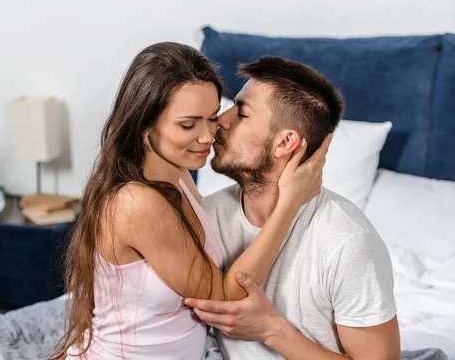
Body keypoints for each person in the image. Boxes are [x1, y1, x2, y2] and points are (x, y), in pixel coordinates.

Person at [51, 43, 330, 359]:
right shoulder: (137, 202)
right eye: (188, 124)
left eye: (211, 118)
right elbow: (225, 301)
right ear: (145, 124)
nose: (207, 136)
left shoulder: (176, 175)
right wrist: (289, 205)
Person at [184, 56, 401, 359]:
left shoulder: (347, 242)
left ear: (285, 142)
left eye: (242, 112)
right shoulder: (210, 214)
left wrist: (270, 330)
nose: (221, 119)